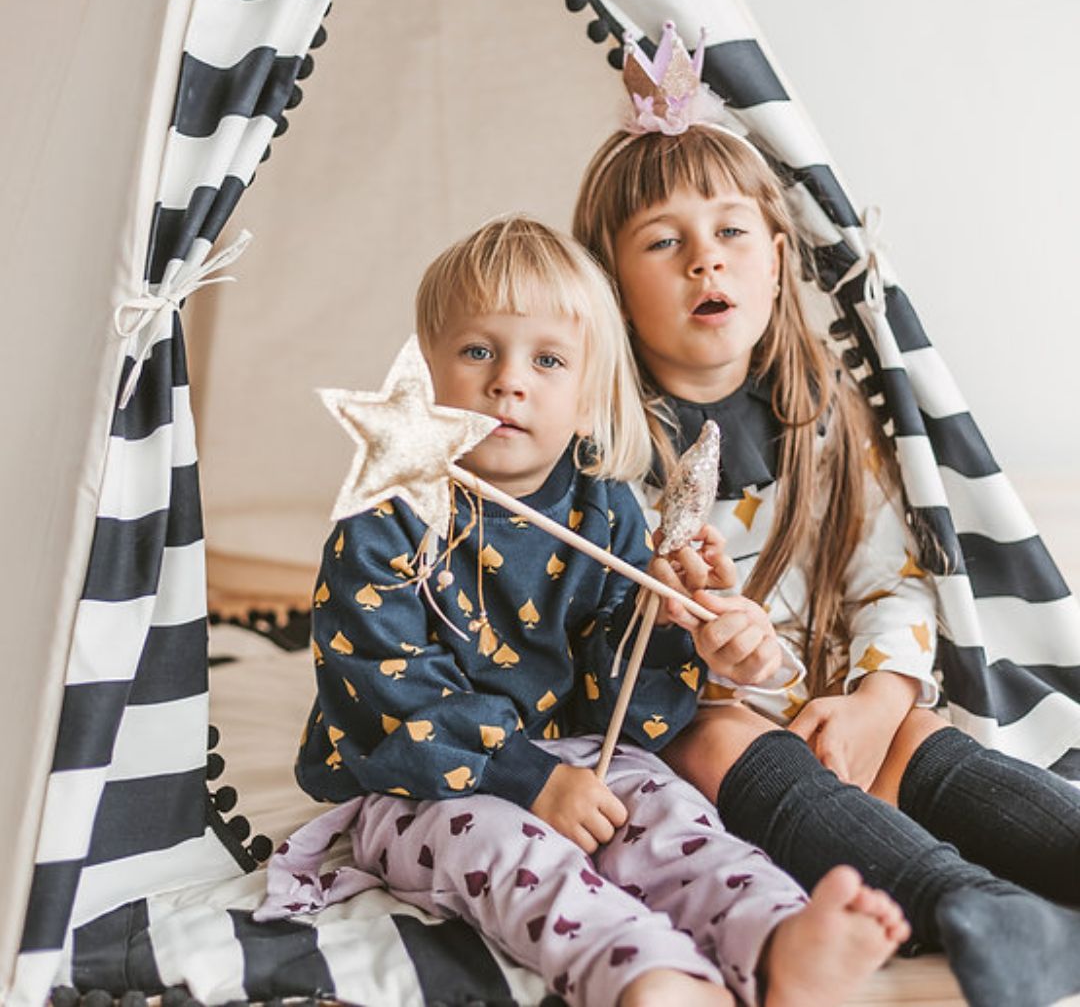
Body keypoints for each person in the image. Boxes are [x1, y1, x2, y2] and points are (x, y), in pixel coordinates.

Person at [255, 216, 910, 1007]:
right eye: (476, 351)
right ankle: (649, 974)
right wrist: (528, 780)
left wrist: (664, 625)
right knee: (514, 857)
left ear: (588, 391)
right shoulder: (386, 517)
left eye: (548, 359)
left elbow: (619, 699)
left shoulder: (603, 508)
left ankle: (776, 942)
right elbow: (390, 695)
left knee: (672, 818)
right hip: (423, 788)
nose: (508, 381)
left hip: (578, 757)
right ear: (427, 370)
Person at [572, 22, 1080, 1007]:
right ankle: (974, 906)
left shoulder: (826, 415)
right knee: (714, 736)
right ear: (610, 285)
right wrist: (682, 620)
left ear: (774, 254)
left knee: (922, 734)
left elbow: (888, 573)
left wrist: (879, 697)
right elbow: (601, 635)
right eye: (663, 243)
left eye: (729, 234)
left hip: (827, 695)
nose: (703, 264)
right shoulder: (602, 447)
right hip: (697, 720)